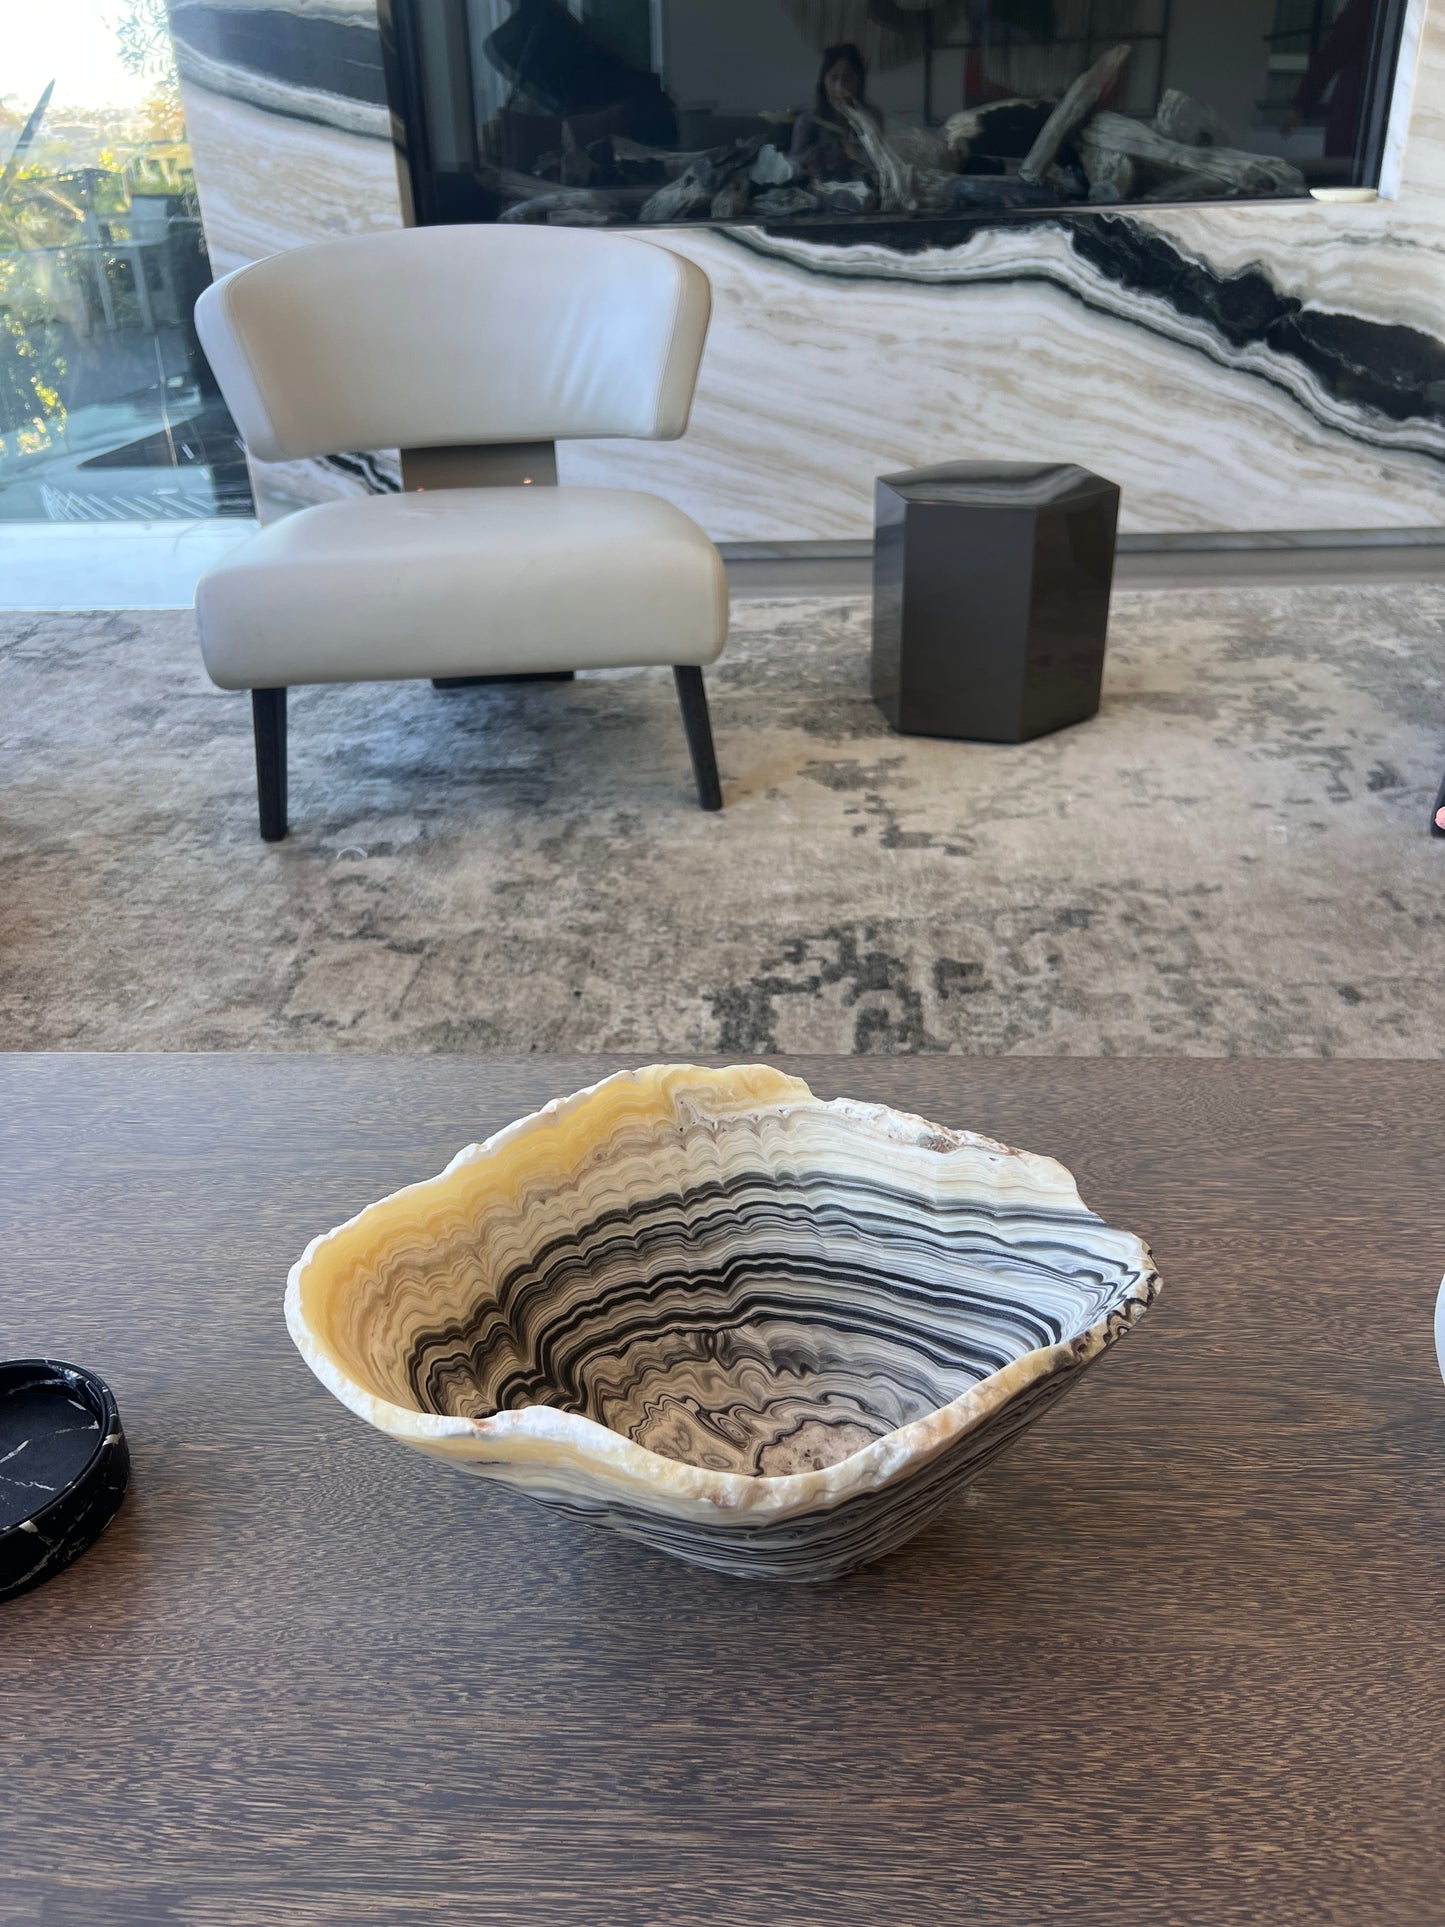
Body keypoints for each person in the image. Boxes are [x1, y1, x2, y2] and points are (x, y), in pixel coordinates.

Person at [789, 43, 883, 182]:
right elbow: (791, 166)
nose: (840, 88)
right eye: (833, 78)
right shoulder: (808, 120)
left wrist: (856, 158)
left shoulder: (872, 118)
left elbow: (881, 166)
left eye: (848, 78)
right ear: (824, 81)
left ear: (859, 80)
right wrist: (804, 165)